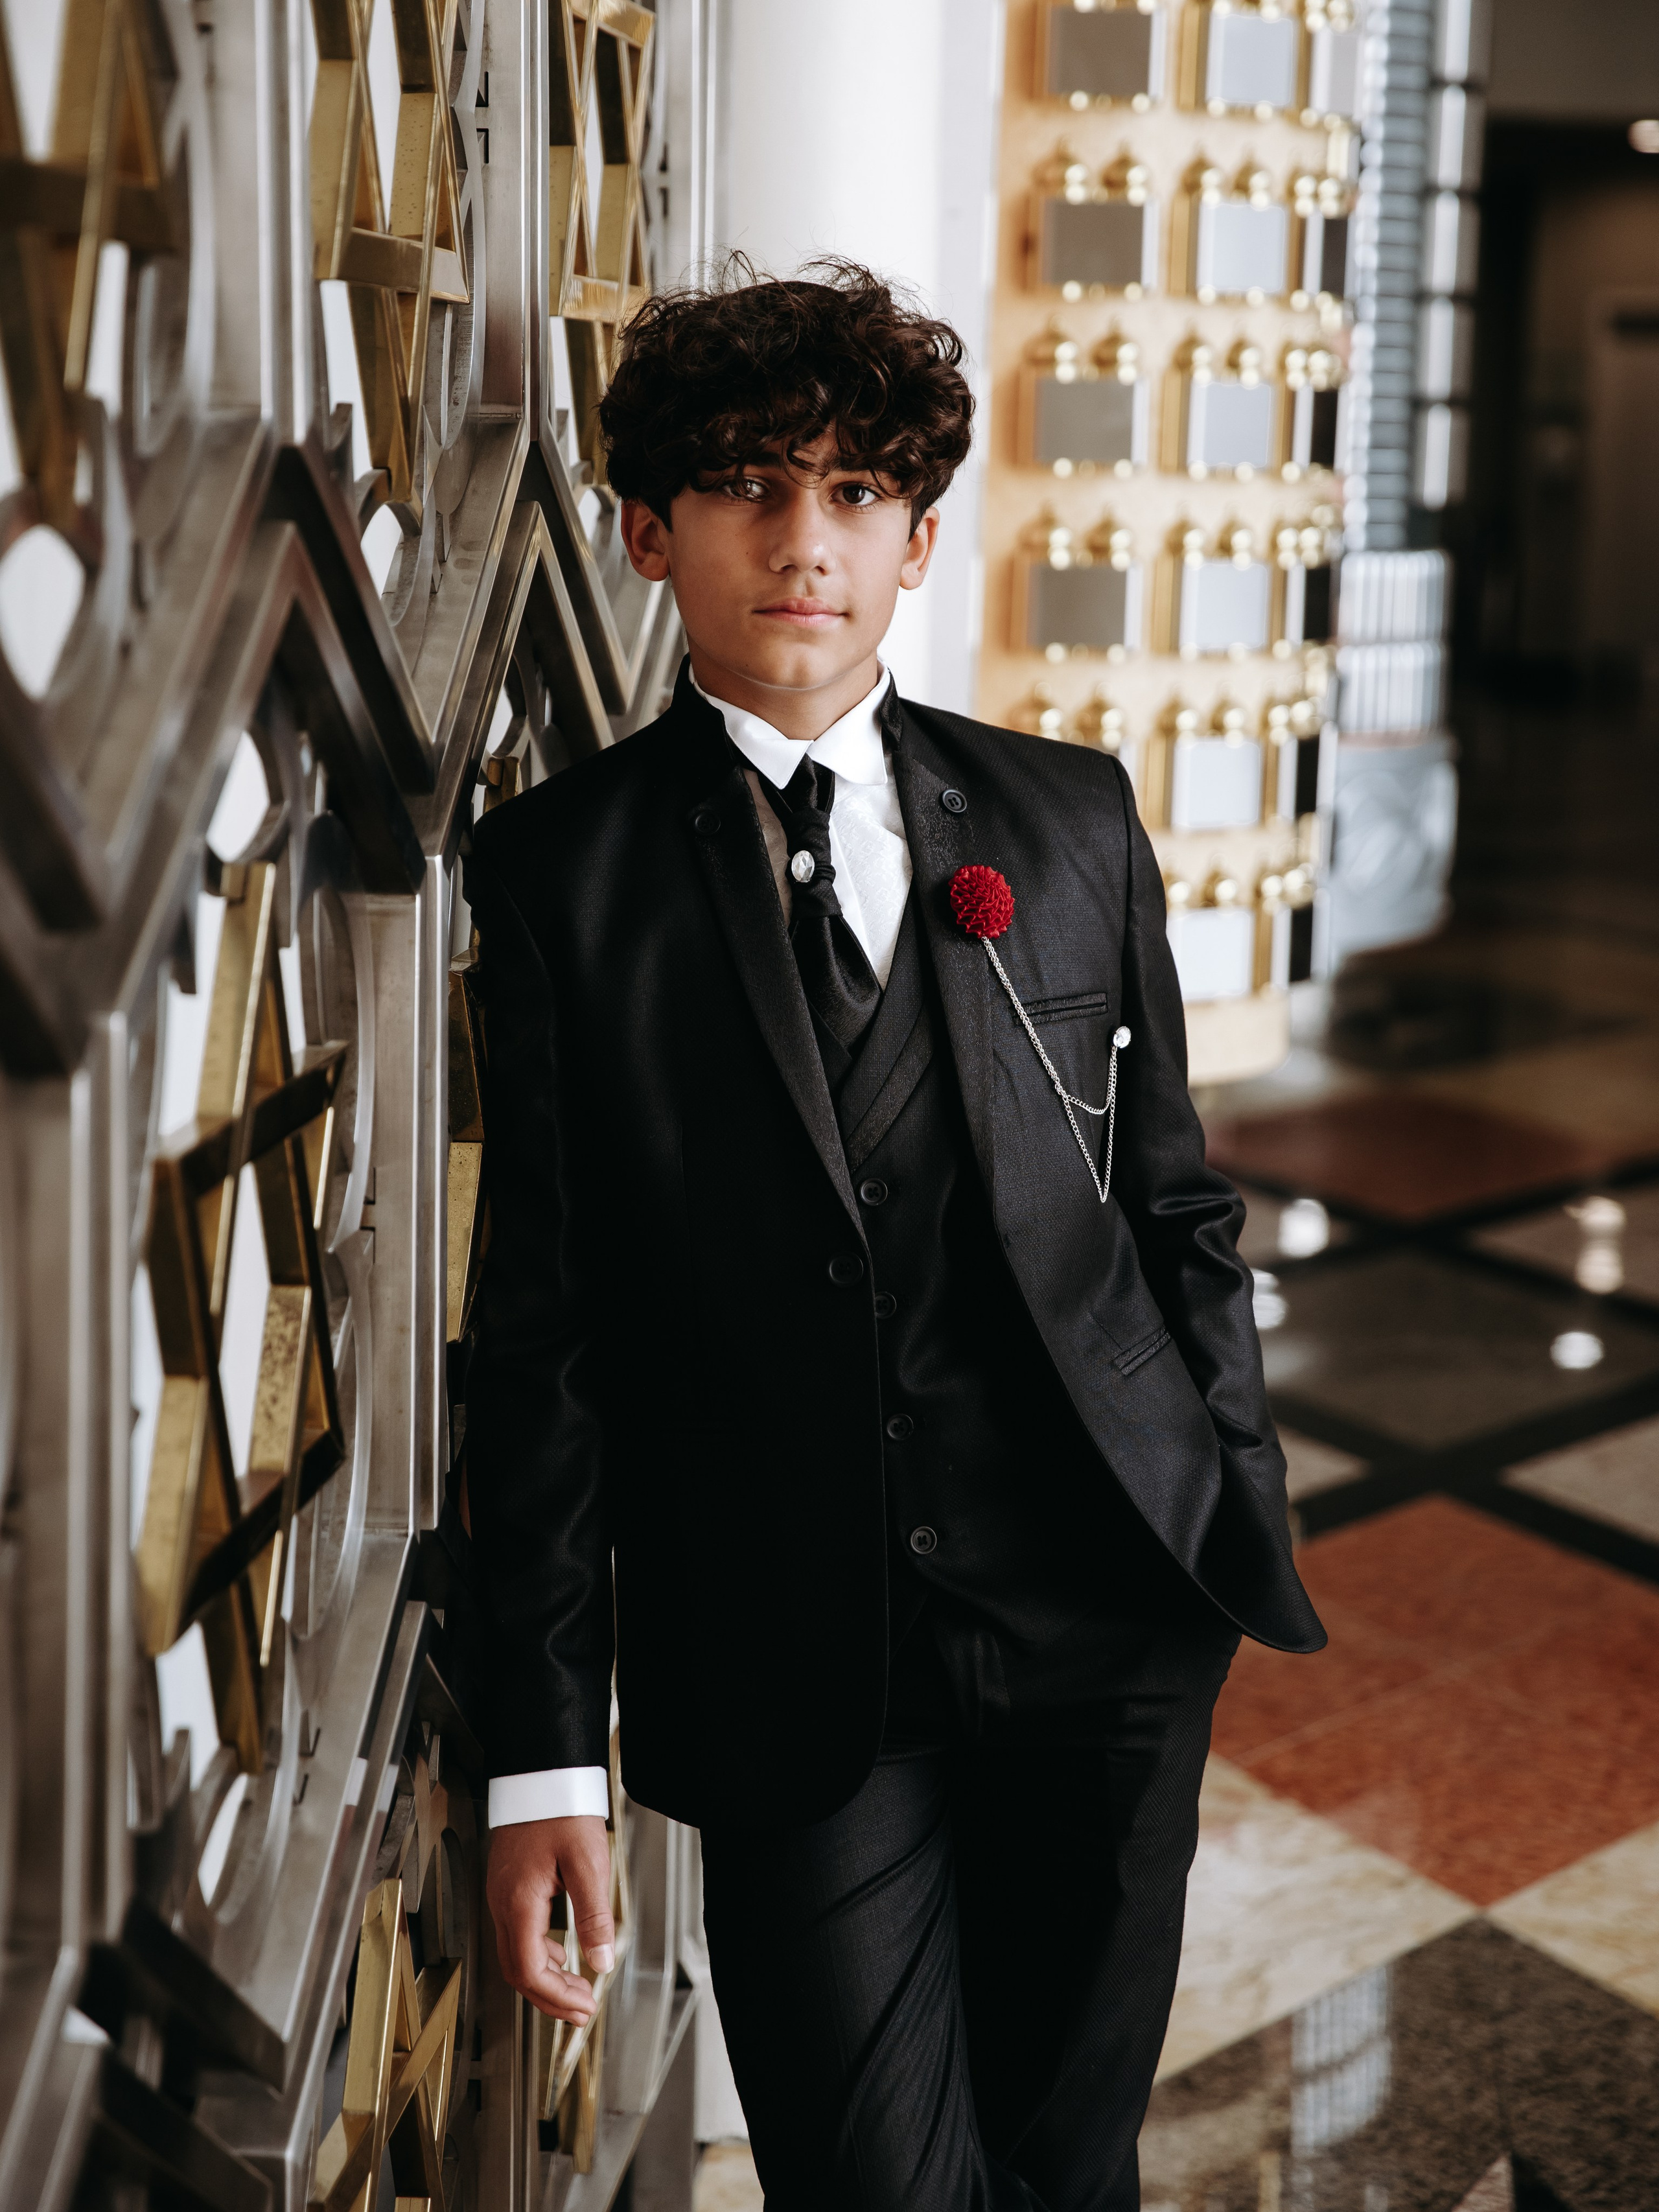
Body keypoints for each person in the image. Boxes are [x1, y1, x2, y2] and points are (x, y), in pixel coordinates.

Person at [463, 260, 1323, 2211]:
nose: (802, 542)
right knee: (873, 2184)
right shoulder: (561, 877)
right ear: (647, 532)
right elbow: (546, 1333)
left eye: (853, 496)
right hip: (790, 1659)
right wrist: (543, 1757)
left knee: (1067, 2165)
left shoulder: (1072, 816)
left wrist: (1223, 1487)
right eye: (752, 487)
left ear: (919, 540)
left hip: (1107, 1613)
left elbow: (1172, 1199)